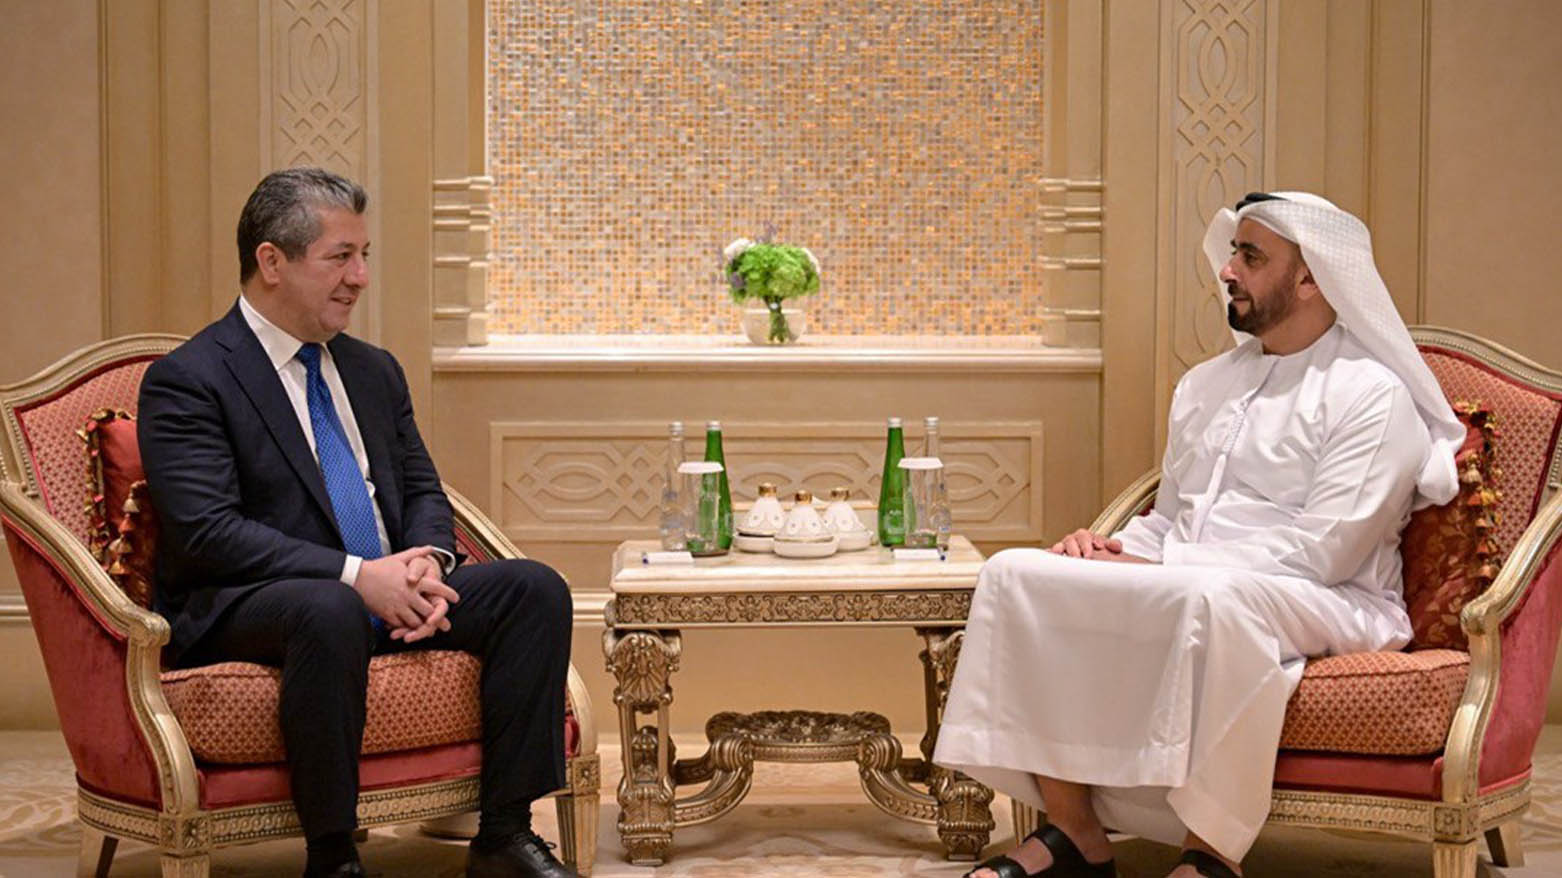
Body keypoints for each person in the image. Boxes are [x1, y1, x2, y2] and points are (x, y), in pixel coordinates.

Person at [934, 192, 1464, 878]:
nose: (1227, 270)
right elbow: (1172, 521)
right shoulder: (1206, 385)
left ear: (1311, 278)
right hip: (1199, 579)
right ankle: (1074, 836)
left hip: (1330, 596)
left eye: (1250, 256)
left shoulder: (1371, 393)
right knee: (1018, 574)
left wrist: (1170, 565)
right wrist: (1116, 550)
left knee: (1214, 602)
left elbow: (1326, 551)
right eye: (1232, 253)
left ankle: (1211, 853)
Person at [138, 167, 576, 878]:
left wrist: (426, 563)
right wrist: (357, 576)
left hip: (381, 584)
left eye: (363, 255)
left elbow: (423, 491)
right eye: (340, 257)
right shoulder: (192, 378)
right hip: (259, 600)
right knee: (331, 607)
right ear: (271, 262)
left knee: (535, 589)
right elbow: (207, 532)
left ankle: (502, 835)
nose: (360, 276)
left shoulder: (373, 371)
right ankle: (333, 857)